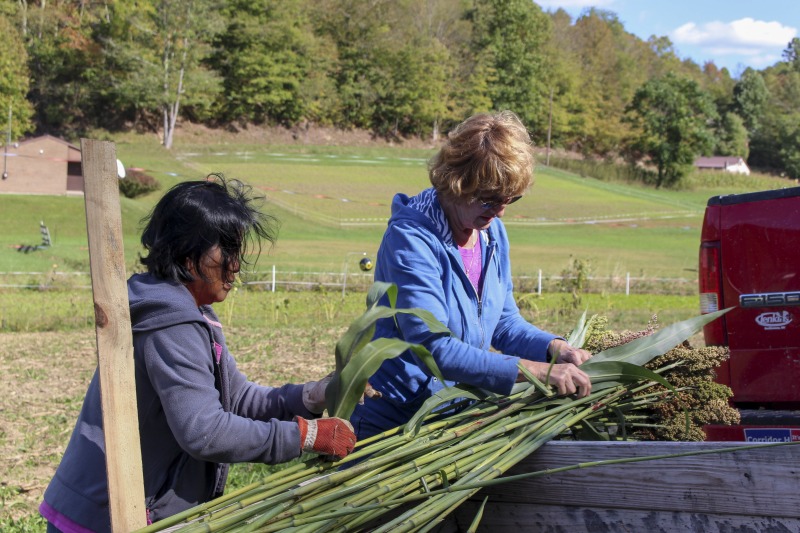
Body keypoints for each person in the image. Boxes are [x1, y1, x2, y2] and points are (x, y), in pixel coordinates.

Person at [40, 175, 356, 532]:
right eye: (227, 252)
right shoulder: (171, 324)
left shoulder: (192, 312)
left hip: (118, 508)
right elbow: (204, 431)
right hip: (106, 517)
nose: (235, 266)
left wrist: (312, 395)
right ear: (189, 256)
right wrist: (303, 436)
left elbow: (235, 398)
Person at [350, 111, 593, 440]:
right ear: (458, 182)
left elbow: (505, 324)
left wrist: (553, 349)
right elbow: (435, 348)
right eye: (491, 199)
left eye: (510, 199)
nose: (501, 211)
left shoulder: (492, 233)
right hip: (395, 416)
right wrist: (534, 371)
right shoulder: (412, 239)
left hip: (452, 412)